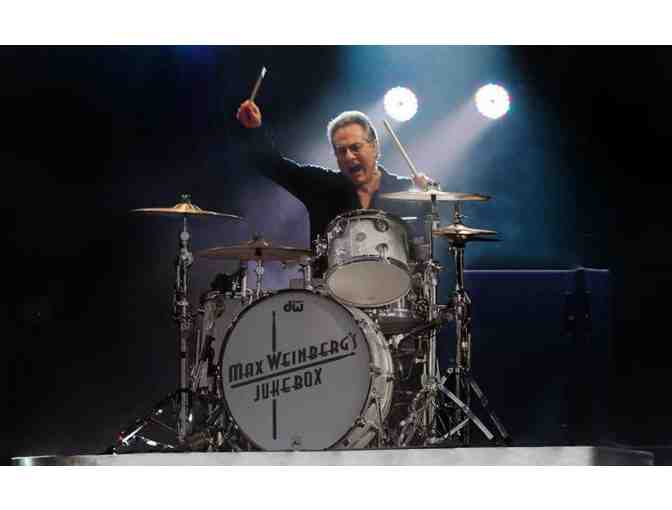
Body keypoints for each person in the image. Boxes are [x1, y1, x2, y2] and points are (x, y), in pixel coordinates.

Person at [236, 99, 435, 255]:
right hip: (330, 293)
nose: (349, 156)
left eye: (355, 147)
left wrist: (430, 195)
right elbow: (273, 165)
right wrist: (254, 129)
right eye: (341, 151)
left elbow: (435, 234)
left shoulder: (406, 191)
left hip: (392, 290)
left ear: (374, 147)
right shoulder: (321, 186)